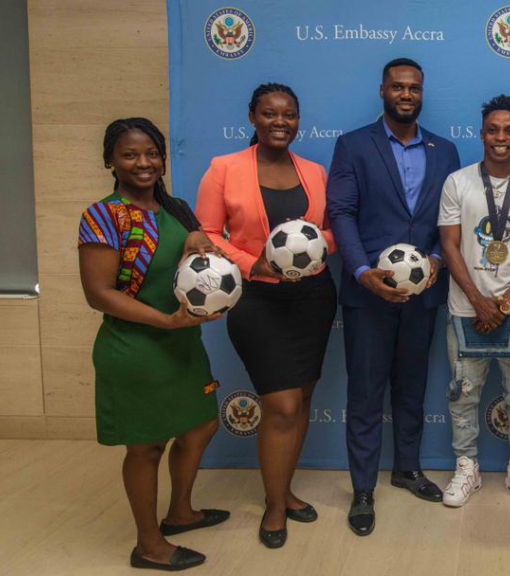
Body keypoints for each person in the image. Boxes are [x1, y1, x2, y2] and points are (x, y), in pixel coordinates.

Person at [78, 118, 228, 571]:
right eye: (130, 155)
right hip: (136, 349)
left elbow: (194, 255)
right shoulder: (102, 216)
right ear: (110, 161)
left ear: (163, 158)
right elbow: (99, 293)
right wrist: (166, 321)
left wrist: (200, 240)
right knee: (145, 447)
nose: (143, 163)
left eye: (152, 153)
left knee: (201, 426)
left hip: (184, 343)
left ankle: (180, 513)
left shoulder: (177, 208)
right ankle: (149, 544)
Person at [196, 83, 337, 549]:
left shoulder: (315, 172)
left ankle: (286, 489)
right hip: (258, 302)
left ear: (299, 120)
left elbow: (332, 232)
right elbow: (207, 235)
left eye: (290, 115)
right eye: (270, 114)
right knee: (282, 405)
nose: (281, 122)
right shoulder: (224, 169)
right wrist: (250, 262)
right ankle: (274, 506)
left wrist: (319, 250)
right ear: (253, 118)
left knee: (303, 398)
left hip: (314, 298)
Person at [328, 58, 460, 537]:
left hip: (423, 294)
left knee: (411, 386)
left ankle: (407, 469)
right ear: (382, 90)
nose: (407, 94)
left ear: (422, 93)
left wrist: (436, 264)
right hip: (368, 297)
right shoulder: (353, 145)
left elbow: (450, 222)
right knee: (365, 393)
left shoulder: (445, 150)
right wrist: (363, 272)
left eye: (414, 88)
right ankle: (363, 489)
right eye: (398, 87)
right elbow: (341, 213)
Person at [437, 94, 510, 509]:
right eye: (493, 129)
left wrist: (502, 304)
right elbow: (449, 246)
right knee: (463, 394)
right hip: (465, 308)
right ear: (480, 132)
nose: (500, 137)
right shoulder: (457, 183)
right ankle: (467, 467)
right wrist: (478, 299)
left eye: (509, 130)